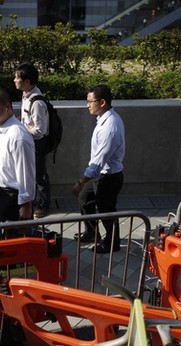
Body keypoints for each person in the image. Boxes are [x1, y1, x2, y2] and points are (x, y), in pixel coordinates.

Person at [71, 85, 125, 255]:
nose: (87, 105)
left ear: (102, 102)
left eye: (90, 101)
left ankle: (112, 243)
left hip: (108, 177)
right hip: (100, 175)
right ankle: (91, 232)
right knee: (84, 199)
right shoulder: (105, 118)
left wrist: (81, 182)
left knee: (106, 212)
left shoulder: (110, 127)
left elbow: (97, 164)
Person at [0, 89, 35, 240]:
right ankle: (0, 263)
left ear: (7, 107)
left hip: (14, 198)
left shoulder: (17, 136)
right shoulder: (1, 130)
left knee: (12, 242)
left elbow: (26, 172)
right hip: (1, 193)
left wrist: (26, 205)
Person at [14, 62, 50, 218]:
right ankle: (31, 202)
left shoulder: (37, 102)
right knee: (29, 173)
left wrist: (22, 129)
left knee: (39, 174)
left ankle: (42, 205)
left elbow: (40, 130)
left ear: (27, 82)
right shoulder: (26, 95)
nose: (14, 80)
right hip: (29, 141)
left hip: (36, 143)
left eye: (17, 77)